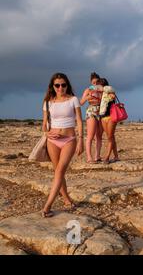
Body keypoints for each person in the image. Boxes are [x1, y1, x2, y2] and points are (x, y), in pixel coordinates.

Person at [42, 73, 83, 217]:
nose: (60, 88)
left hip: (69, 139)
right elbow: (44, 123)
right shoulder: (48, 101)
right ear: (52, 87)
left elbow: (79, 120)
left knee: (60, 171)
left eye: (63, 85)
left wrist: (81, 140)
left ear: (67, 85)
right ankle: (66, 199)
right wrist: (47, 133)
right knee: (58, 171)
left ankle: (47, 206)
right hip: (52, 141)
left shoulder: (73, 100)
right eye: (57, 85)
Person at [80, 72, 103, 163]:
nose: (95, 84)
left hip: (101, 111)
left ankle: (97, 156)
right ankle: (89, 157)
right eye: (93, 82)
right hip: (91, 111)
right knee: (90, 135)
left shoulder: (102, 90)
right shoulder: (88, 90)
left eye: (97, 82)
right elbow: (81, 103)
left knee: (99, 136)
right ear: (91, 82)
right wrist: (87, 97)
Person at [98, 78, 119, 164]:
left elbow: (112, 92)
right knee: (111, 137)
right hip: (103, 117)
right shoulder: (102, 94)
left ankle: (106, 157)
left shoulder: (109, 91)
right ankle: (116, 156)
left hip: (111, 117)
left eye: (99, 85)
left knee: (110, 137)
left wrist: (104, 89)